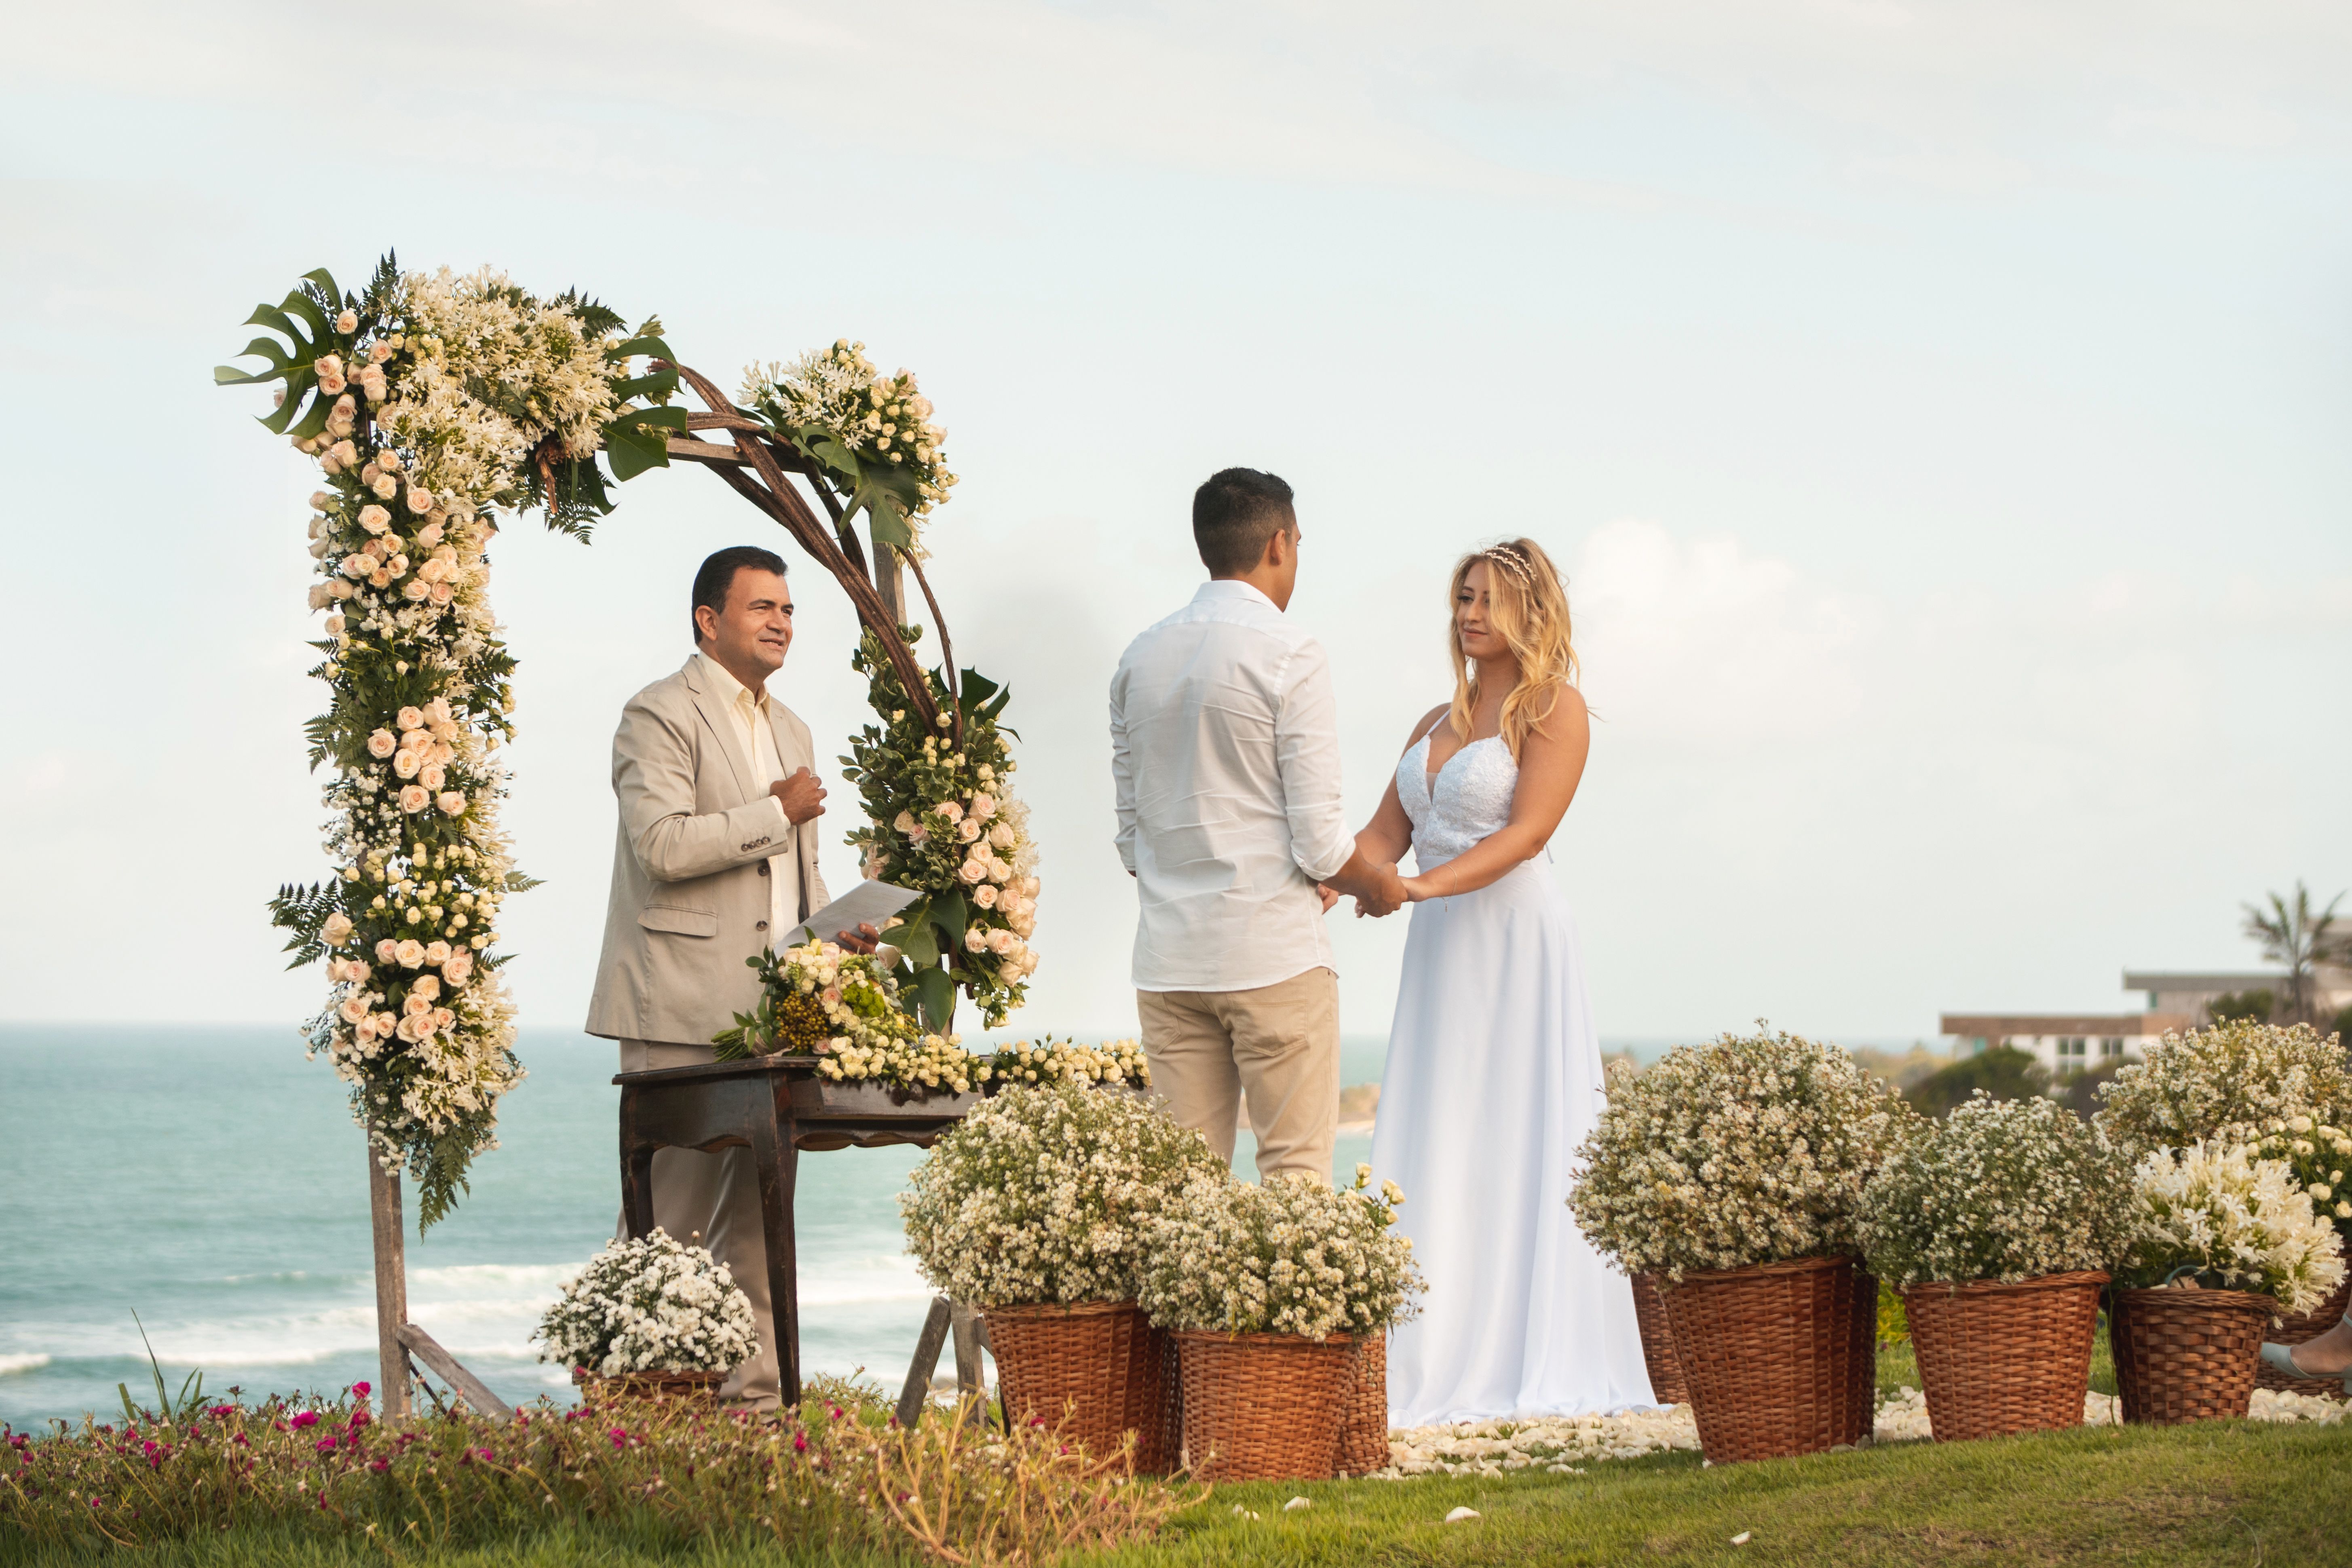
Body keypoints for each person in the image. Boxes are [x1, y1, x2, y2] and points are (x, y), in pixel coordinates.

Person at [1355, 538, 1653, 1426]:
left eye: (1487, 598)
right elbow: (1383, 836)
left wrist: (1417, 889)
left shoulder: (1555, 708)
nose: (1470, 613)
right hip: (1441, 946)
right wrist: (1333, 878)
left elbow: (1526, 834)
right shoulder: (1431, 720)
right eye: (1462, 597)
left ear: (1531, 611)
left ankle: (1521, 1352)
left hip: (1513, 938)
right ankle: (1431, 1344)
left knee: (1516, 1127)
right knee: (1441, 1122)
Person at [585, 544, 872, 1410]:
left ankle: (755, 1412)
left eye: (787, 610)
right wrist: (774, 810)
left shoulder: (794, 729)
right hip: (680, 1002)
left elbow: (793, 876)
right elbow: (661, 845)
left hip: (776, 1018)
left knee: (757, 1224)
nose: (781, 623)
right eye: (762, 607)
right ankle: (625, 1412)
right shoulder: (656, 712)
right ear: (708, 620)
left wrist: (835, 933)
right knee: (664, 1229)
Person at [1109, 468, 1405, 1182]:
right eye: (1298, 543)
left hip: (1170, 962)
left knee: (1184, 1191)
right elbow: (1320, 842)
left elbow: (1131, 840)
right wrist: (1376, 886)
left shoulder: (1139, 657)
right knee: (1294, 1177)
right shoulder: (1290, 651)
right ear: (1279, 543)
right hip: (1271, 955)